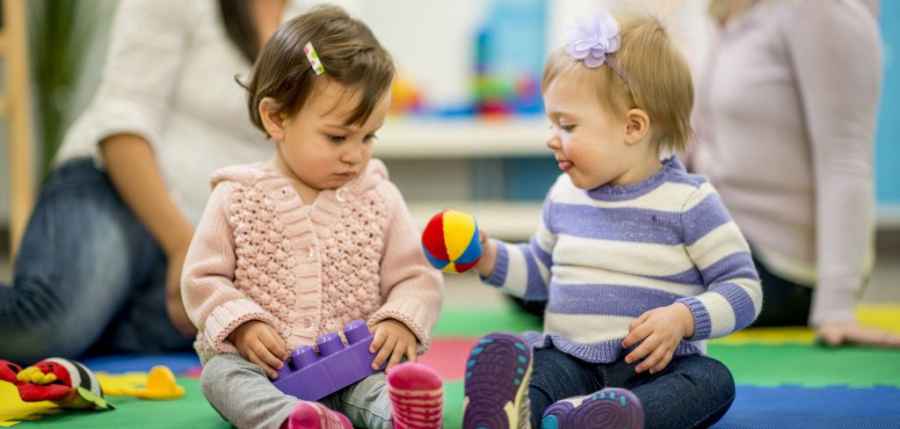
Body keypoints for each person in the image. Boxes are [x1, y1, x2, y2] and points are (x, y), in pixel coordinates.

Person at [461, 12, 762, 429]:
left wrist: (684, 318)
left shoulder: (690, 202)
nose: (552, 138)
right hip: (571, 358)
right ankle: (512, 413)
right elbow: (539, 274)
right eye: (552, 123)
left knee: (712, 381)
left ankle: (610, 419)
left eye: (567, 125)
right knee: (539, 368)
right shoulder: (564, 194)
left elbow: (744, 290)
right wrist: (487, 257)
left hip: (657, 370)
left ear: (633, 126)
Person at [0, 0, 319, 363]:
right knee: (47, 327)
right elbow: (121, 121)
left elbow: (334, 109)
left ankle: (112, 313)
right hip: (118, 191)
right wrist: (185, 247)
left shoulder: (325, 12)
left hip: (222, 236)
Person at [182, 6, 444, 429]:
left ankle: (402, 416)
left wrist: (401, 318)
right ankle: (295, 420)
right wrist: (242, 325)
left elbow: (416, 275)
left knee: (378, 386)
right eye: (337, 136)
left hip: (355, 365)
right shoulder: (236, 197)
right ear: (277, 117)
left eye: (369, 136)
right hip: (263, 370)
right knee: (219, 378)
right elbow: (202, 280)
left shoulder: (378, 196)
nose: (355, 154)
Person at [692, 0, 900, 347]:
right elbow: (699, 140)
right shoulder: (735, 14)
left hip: (779, 267)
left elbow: (845, 158)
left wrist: (836, 309)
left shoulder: (819, 8)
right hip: (724, 233)